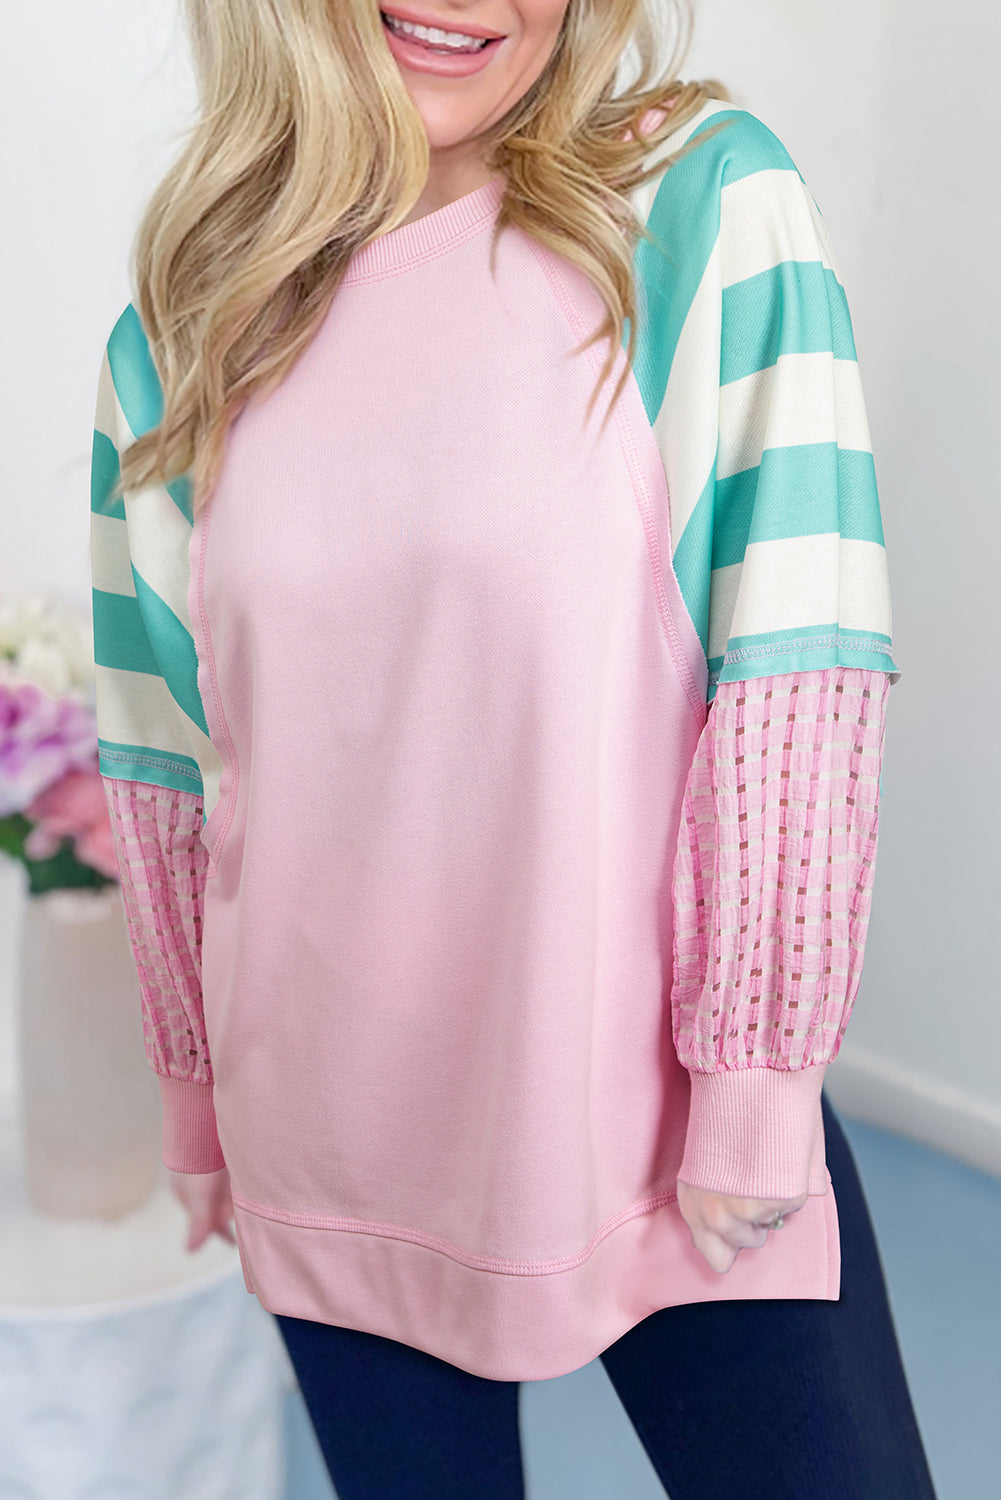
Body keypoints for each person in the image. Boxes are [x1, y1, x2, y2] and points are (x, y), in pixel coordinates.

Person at [88, 0, 938, 1494]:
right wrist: (198, 1102)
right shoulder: (181, 324)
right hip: (330, 1137)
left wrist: (754, 1082)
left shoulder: (690, 204)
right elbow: (167, 754)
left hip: (661, 1127)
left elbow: (797, 662)